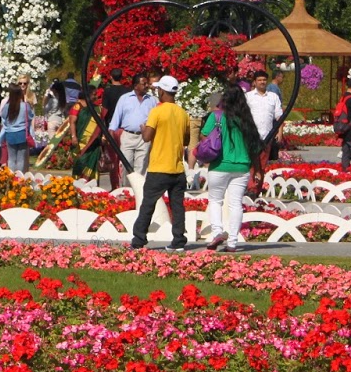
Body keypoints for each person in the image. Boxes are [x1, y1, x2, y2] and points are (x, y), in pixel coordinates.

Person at [130, 75, 192, 251]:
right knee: (178, 206)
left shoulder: (157, 111)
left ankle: (139, 240)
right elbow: (186, 139)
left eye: (158, 89)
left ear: (162, 91)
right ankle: (179, 241)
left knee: (148, 204)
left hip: (159, 168)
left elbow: (147, 137)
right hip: (177, 168)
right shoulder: (182, 113)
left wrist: (143, 129)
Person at [199, 85, 262, 253]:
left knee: (215, 200)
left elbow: (204, 135)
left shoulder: (217, 116)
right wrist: (257, 169)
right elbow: (254, 147)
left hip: (220, 165)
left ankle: (217, 231)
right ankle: (233, 242)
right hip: (242, 167)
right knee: (236, 204)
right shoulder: (246, 120)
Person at [109, 72, 157, 196]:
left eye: (147, 83)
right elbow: (116, 117)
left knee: (141, 166)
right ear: (135, 86)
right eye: (144, 83)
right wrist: (111, 132)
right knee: (126, 165)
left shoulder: (152, 100)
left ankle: (138, 194)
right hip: (128, 136)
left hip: (144, 138)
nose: (147, 86)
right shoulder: (124, 99)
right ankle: (126, 191)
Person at [244, 69, 284, 157]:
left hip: (268, 136)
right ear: (254, 82)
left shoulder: (273, 97)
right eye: (259, 80)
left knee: (264, 163)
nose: (262, 82)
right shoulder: (248, 96)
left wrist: (280, 132)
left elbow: (279, 116)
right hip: (252, 136)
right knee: (251, 163)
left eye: (264, 80)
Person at [0, 84, 33, 173]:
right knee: (21, 159)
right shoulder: (25, 106)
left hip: (10, 134)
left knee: (11, 158)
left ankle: (11, 177)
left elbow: (3, 117)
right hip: (22, 134)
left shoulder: (7, 106)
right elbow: (30, 117)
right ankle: (19, 178)